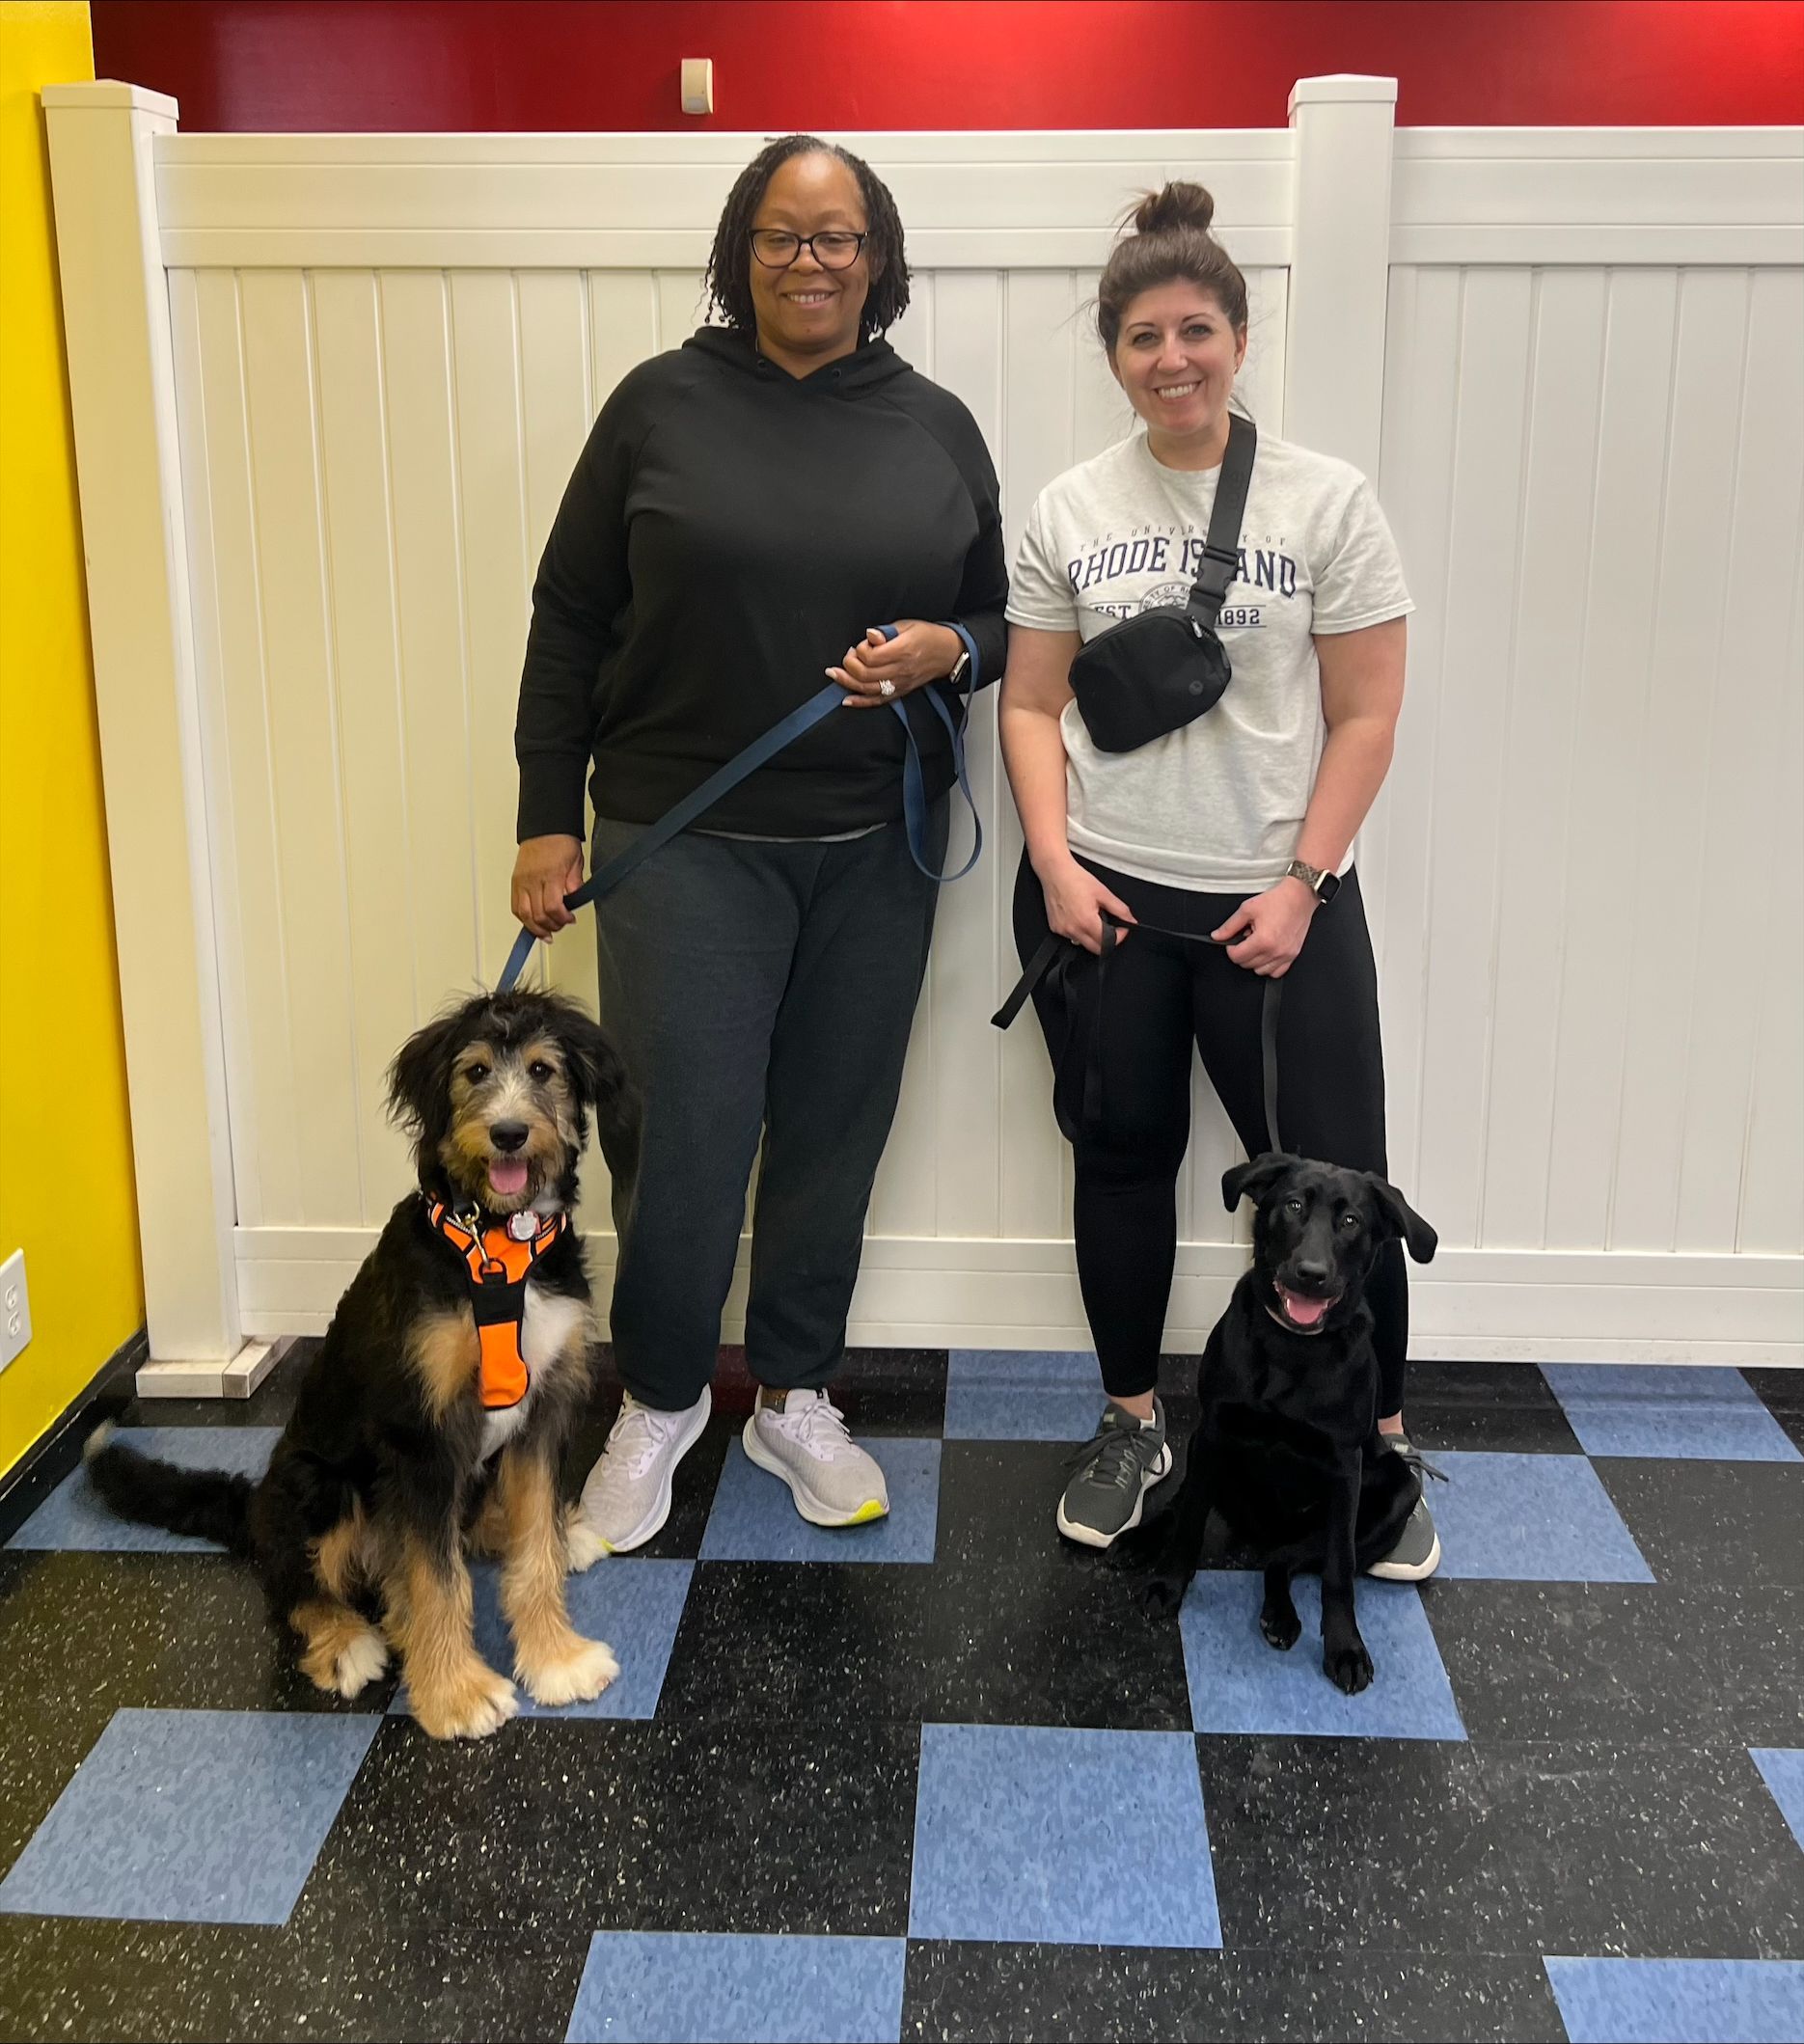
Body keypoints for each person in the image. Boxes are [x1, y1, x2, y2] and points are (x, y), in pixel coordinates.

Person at [511, 136, 1005, 1558]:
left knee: (833, 1128)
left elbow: (1002, 618)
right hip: (684, 844)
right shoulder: (658, 405)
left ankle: (794, 1392)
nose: (810, 261)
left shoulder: (935, 424)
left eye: (838, 237)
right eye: (783, 236)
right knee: (677, 1138)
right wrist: (549, 812)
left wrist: (947, 648)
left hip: (878, 847)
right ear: (741, 252)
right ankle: (659, 1400)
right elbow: (569, 615)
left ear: (878, 259)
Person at [999, 182, 1437, 1577]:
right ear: (1114, 356)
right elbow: (1026, 709)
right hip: (1107, 903)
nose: (1170, 358)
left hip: (1282, 907)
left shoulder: (1325, 500)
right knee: (1120, 1165)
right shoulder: (1069, 507)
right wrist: (1056, 866)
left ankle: (1371, 1441)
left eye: (1195, 330)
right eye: (1140, 337)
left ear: (1238, 338)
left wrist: (1307, 878)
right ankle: (1135, 1425)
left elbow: (1366, 712)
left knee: (1341, 1192)